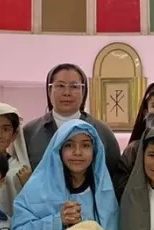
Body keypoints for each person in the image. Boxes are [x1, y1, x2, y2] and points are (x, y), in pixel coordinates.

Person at [23, 62, 126, 190]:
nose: (67, 93)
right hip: (40, 207)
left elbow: (114, 177)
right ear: (49, 90)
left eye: (74, 86)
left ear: (84, 91)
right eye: (60, 86)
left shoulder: (101, 131)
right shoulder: (30, 131)